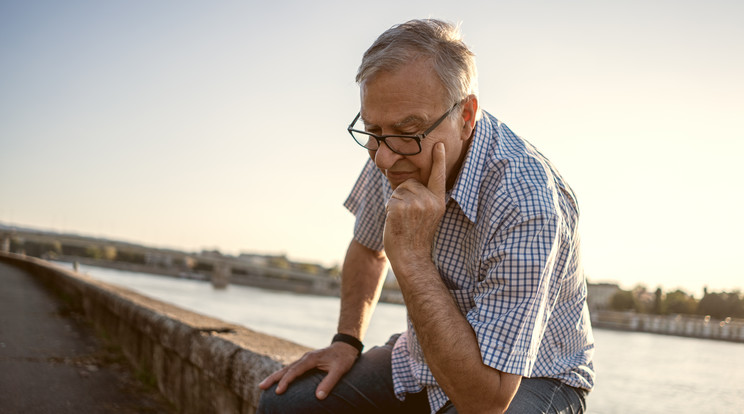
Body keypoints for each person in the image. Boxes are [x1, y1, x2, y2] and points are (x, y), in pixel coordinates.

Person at [258, 19, 594, 414]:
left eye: (407, 131)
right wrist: (346, 341)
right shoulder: (396, 151)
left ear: (466, 116)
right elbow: (367, 249)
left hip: (531, 375)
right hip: (424, 354)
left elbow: (485, 402)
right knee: (286, 403)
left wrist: (412, 259)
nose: (384, 158)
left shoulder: (528, 201)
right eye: (373, 131)